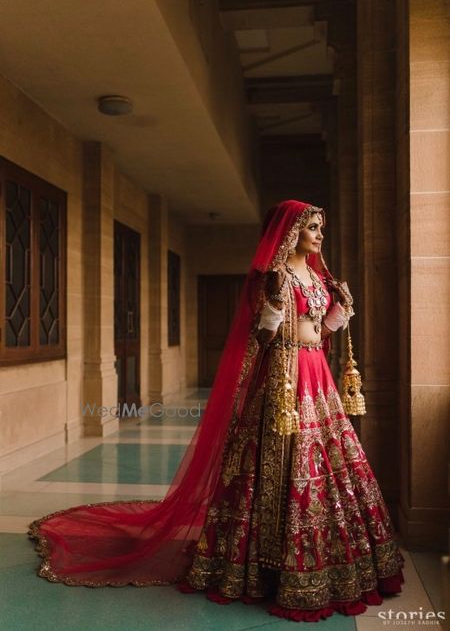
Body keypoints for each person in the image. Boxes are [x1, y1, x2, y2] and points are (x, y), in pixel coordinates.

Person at [29, 200, 404, 622]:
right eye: (312, 228)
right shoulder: (274, 276)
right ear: (290, 232)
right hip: (283, 380)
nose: (319, 235)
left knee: (328, 461)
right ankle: (259, 564)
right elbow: (261, 336)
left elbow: (321, 331)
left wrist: (342, 307)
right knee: (276, 462)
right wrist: (276, 305)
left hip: (317, 375)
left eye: (321, 228)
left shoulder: (319, 276)